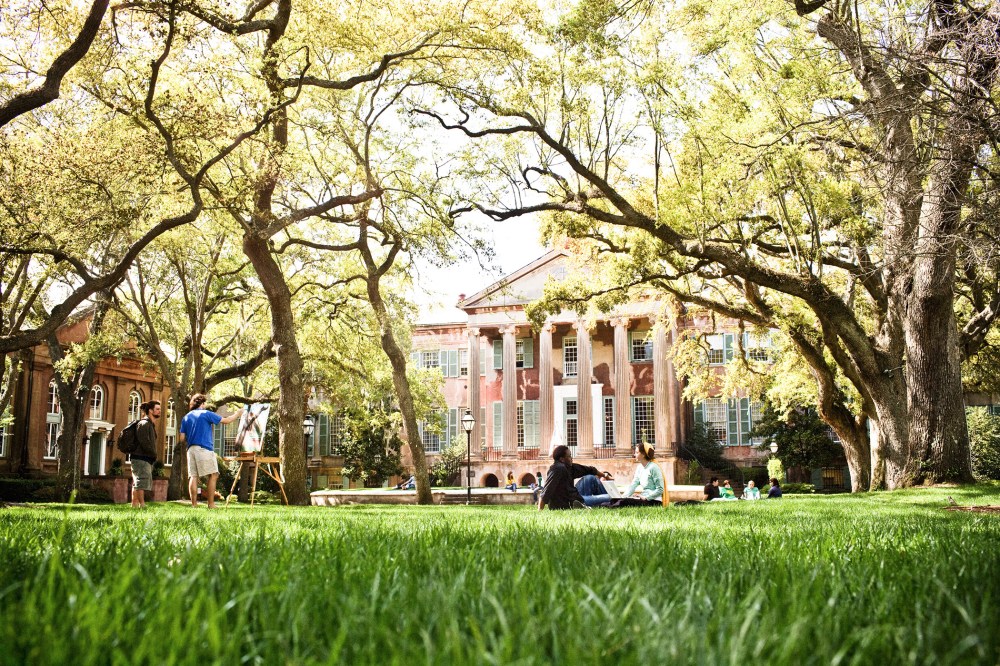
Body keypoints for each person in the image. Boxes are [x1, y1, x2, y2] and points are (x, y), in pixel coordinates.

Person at [179, 394, 244, 509]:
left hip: (191, 449)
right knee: (213, 474)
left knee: (193, 476)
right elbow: (227, 420)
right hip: (204, 448)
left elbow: (182, 438)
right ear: (202, 403)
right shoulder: (206, 414)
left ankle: (194, 505)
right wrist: (238, 414)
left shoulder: (186, 417)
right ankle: (211, 504)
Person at [538, 445, 613, 510]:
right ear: (562, 459)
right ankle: (614, 500)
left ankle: (614, 500)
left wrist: (605, 475)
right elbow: (546, 492)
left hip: (573, 496)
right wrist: (539, 510)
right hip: (568, 502)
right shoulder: (558, 468)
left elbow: (590, 470)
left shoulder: (569, 467)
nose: (571, 458)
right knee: (609, 497)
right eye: (569, 456)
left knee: (591, 478)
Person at [613, 442, 664, 507]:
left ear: (643, 454)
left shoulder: (654, 467)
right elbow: (633, 485)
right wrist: (623, 497)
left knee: (623, 502)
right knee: (616, 500)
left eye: (637, 452)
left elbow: (660, 489)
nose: (634, 454)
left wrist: (646, 497)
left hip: (654, 500)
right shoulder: (639, 468)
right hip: (643, 498)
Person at [130, 400, 161, 509]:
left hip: (144, 458)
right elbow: (144, 442)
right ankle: (142, 505)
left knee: (138, 481)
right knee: (141, 481)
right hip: (141, 457)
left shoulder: (149, 424)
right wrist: (153, 453)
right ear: (150, 411)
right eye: (157, 409)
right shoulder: (144, 424)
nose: (159, 411)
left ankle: (134, 505)